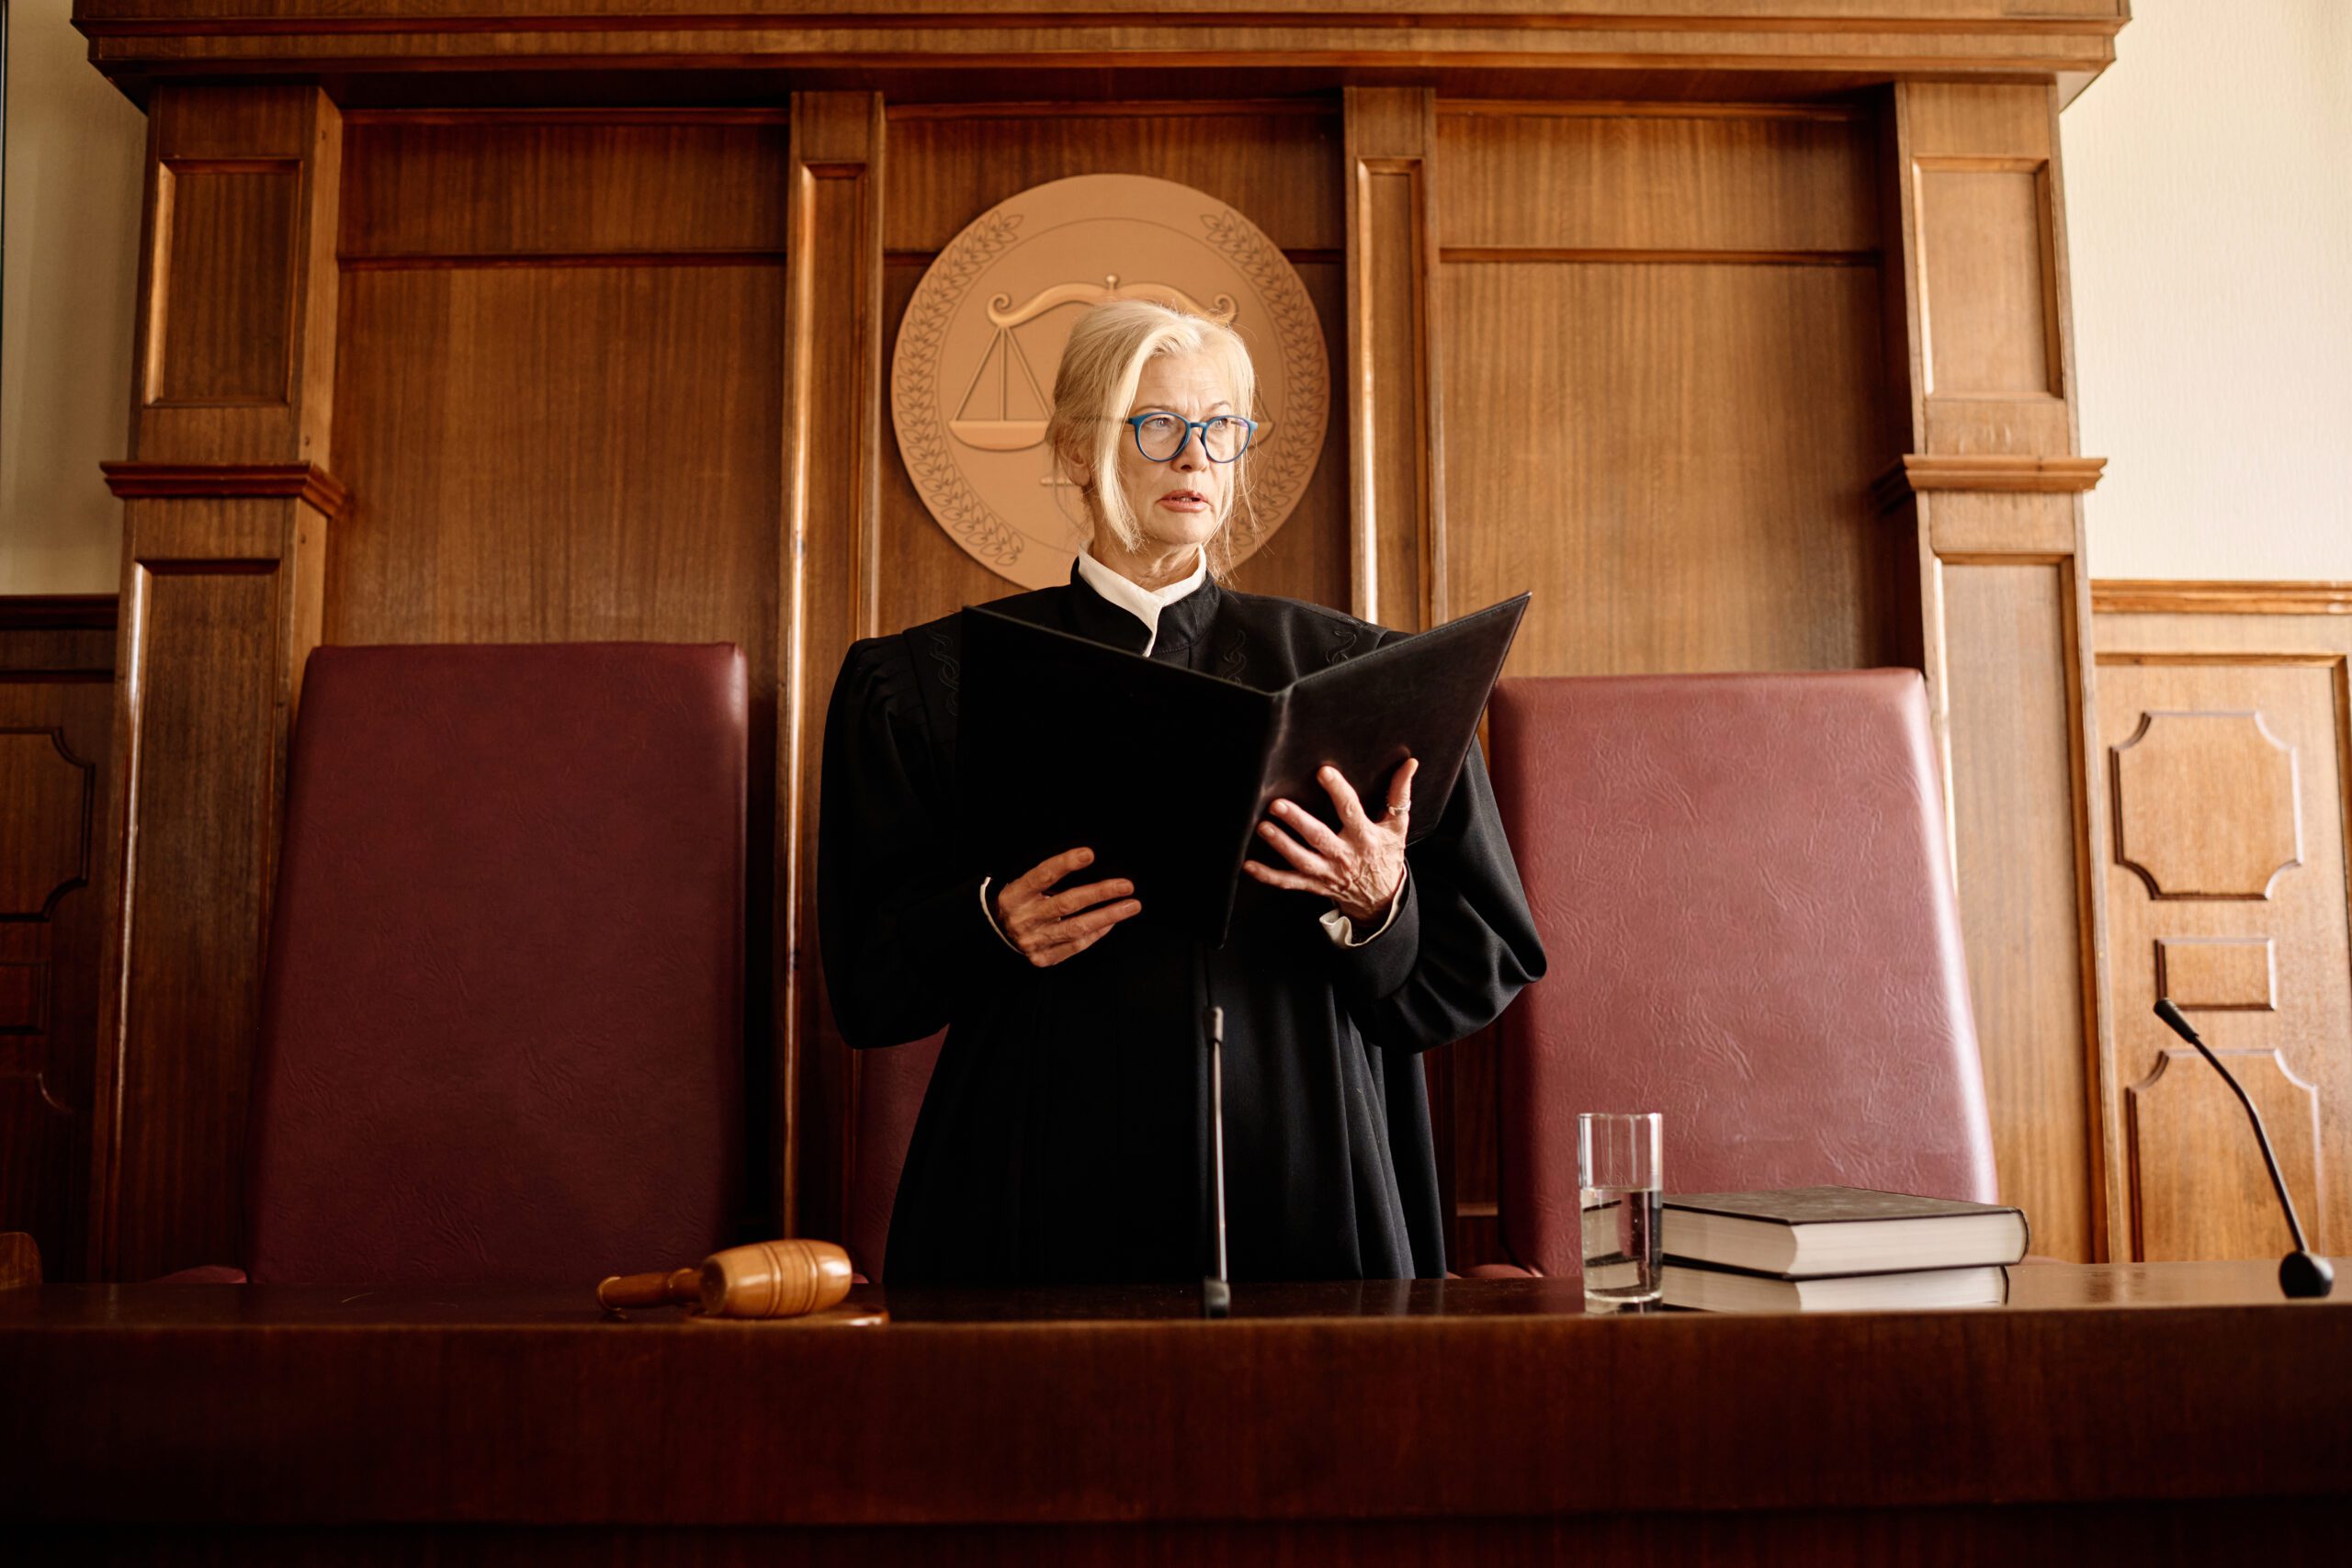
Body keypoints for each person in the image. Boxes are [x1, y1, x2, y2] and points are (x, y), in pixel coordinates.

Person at [818, 299, 1545, 1286]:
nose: (1193, 458)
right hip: (1033, 1160)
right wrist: (989, 923)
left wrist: (1379, 901)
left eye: (1220, 430)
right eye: (1155, 426)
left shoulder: (1362, 672)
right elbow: (865, 981)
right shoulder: (920, 683)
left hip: (1307, 1152)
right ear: (1076, 450)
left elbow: (1482, 963)